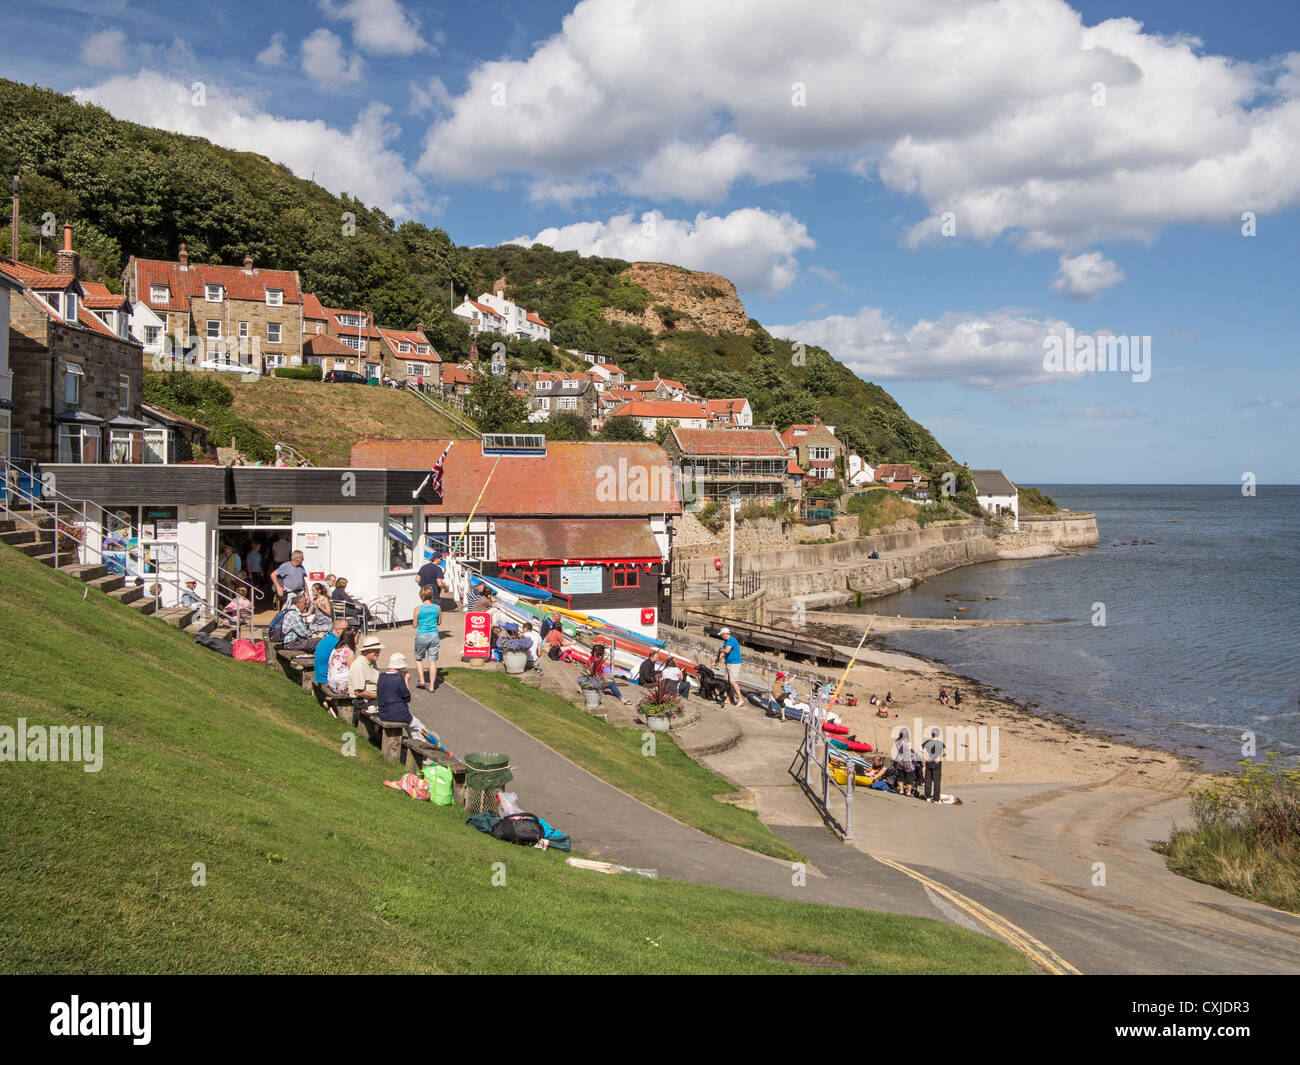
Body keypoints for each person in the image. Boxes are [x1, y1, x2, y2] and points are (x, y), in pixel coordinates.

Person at [377, 653, 429, 739]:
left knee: (412, 728)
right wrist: (406, 680)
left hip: (383, 713)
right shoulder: (399, 679)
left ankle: (416, 742)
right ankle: (427, 745)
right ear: (401, 667)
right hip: (399, 713)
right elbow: (407, 698)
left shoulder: (381, 676)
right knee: (419, 726)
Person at [411, 585, 440, 691]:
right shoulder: (437, 607)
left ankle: (422, 680)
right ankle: (432, 686)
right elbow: (439, 622)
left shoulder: (418, 609)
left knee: (419, 658)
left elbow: (414, 625)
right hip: (434, 634)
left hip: (422, 635)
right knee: (432, 661)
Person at [349, 635, 384, 706]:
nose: (378, 652)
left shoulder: (372, 661)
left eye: (379, 650)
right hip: (363, 701)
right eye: (375, 650)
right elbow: (359, 693)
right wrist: (381, 696)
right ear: (367, 651)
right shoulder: (359, 665)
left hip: (373, 697)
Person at [713, 626, 743, 706]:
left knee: (733, 681)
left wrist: (720, 649)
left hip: (734, 663)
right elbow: (722, 654)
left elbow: (726, 650)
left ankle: (740, 699)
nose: (721, 636)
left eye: (721, 635)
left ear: (725, 634)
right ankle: (729, 698)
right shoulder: (726, 641)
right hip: (729, 663)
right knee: (727, 681)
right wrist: (716, 661)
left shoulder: (731, 640)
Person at [314, 617, 347, 686]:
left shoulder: (327, 639)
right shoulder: (336, 643)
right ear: (338, 630)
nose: (348, 631)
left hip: (320, 675)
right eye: (346, 629)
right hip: (326, 678)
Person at [890, 726, 920, 798]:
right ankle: (909, 792)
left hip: (900, 761)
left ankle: (901, 790)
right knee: (909, 777)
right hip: (908, 762)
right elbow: (912, 750)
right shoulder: (908, 742)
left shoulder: (897, 741)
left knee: (901, 775)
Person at [328, 627, 358, 695]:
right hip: (340, 684)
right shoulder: (349, 652)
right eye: (357, 636)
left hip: (332, 681)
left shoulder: (337, 648)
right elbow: (353, 671)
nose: (358, 638)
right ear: (351, 638)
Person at [922, 726, 946, 803]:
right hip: (937, 763)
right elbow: (945, 752)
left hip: (929, 761)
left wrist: (927, 755)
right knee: (937, 781)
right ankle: (936, 798)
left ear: (932, 734)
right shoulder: (941, 743)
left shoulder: (928, 742)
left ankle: (928, 796)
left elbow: (920, 748)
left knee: (928, 779)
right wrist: (939, 757)